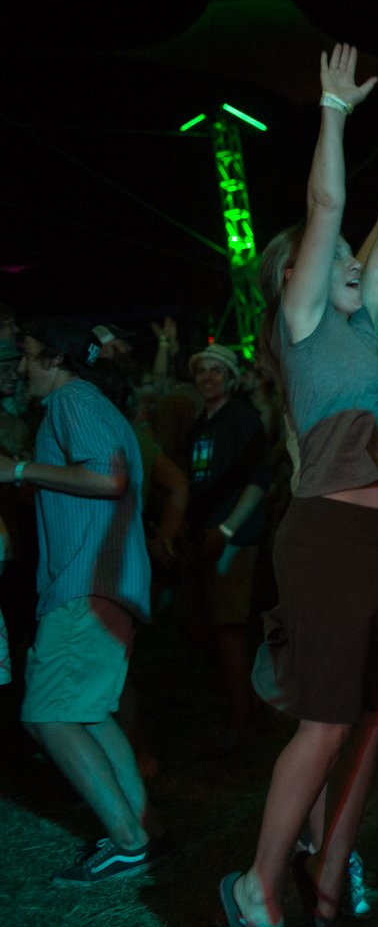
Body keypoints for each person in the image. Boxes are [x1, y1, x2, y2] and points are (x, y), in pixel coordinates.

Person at [219, 44, 378, 927]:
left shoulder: (362, 328)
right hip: (330, 537)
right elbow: (329, 206)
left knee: (371, 718)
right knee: (327, 721)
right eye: (331, 256)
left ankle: (329, 870)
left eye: (348, 260)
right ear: (293, 278)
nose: (348, 259)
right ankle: (257, 884)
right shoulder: (301, 326)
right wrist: (334, 111)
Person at [1, 318, 167, 884]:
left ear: (55, 360)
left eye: (29, 357)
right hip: (105, 582)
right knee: (86, 713)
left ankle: (128, 842)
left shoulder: (73, 400)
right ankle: (145, 829)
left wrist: (18, 469)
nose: (22, 368)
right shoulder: (89, 402)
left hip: (87, 583)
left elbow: (108, 478)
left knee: (48, 714)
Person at [183, 342, 270, 747]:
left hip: (233, 539)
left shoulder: (241, 417)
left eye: (217, 370)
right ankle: (252, 704)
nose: (208, 377)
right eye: (202, 370)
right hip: (207, 537)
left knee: (227, 629)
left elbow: (257, 480)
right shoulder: (203, 423)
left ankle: (242, 722)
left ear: (232, 378)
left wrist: (227, 530)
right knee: (205, 626)